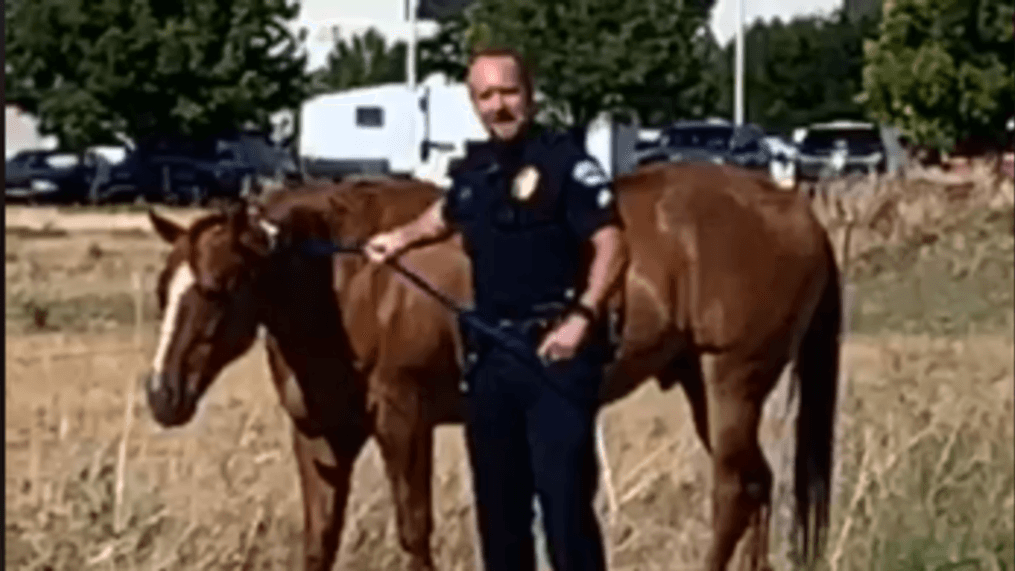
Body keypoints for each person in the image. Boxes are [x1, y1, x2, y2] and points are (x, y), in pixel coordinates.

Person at [364, 46, 629, 571]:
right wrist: (398, 239)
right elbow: (443, 215)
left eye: (508, 92)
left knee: (565, 511)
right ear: (474, 103)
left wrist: (583, 317)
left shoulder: (567, 164)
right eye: (485, 96)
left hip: (556, 356)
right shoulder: (475, 170)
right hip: (491, 361)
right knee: (499, 518)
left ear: (530, 96)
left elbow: (612, 244)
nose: (498, 106)